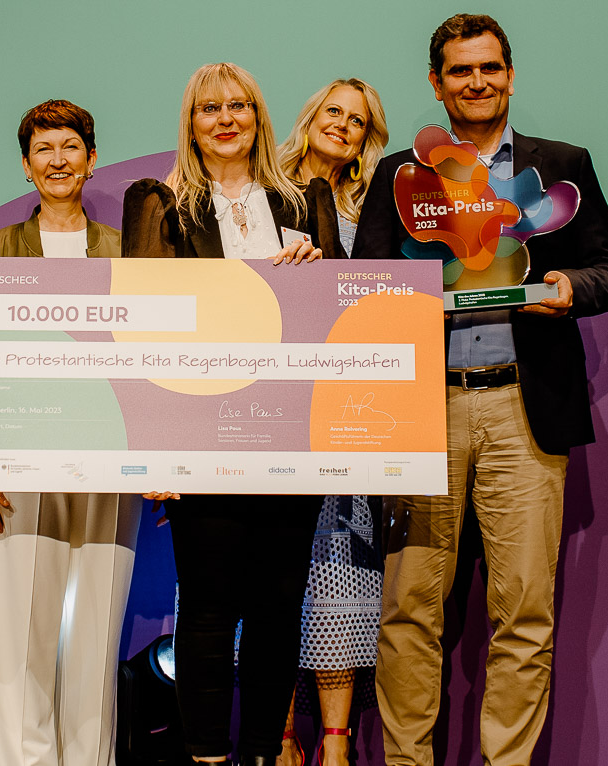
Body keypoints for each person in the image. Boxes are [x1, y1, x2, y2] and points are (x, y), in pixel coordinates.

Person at [353, 14, 608, 766]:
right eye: (460, 70)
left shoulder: (562, 165)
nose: (476, 82)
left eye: (489, 68)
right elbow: (364, 288)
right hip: (422, 410)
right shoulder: (400, 176)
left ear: (509, 75)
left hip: (522, 407)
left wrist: (569, 285)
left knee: (524, 613)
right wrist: (399, 295)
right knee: (409, 610)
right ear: (437, 83)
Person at [122, 62, 343, 766]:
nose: (225, 118)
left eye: (238, 106)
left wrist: (317, 267)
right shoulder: (160, 203)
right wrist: (153, 449)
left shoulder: (307, 201)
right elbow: (141, 331)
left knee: (280, 611)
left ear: (258, 116)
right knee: (211, 608)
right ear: (190, 123)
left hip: (292, 439)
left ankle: (259, 756)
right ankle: (208, 758)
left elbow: (335, 320)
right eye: (208, 108)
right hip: (200, 438)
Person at [0, 99, 140, 766]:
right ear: (26, 167)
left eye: (70, 147)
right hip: (14, 468)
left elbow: (153, 361)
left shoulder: (128, 251)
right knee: (16, 644)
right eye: (44, 150)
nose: (58, 160)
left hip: (109, 469)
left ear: (91, 159)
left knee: (91, 640)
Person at [275, 78, 389, 766]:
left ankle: (337, 746)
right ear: (310, 118)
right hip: (271, 417)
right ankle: (282, 738)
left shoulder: (373, 209)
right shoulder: (263, 195)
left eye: (358, 121)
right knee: (273, 582)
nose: (343, 126)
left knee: (340, 572)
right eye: (333, 113)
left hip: (350, 416)